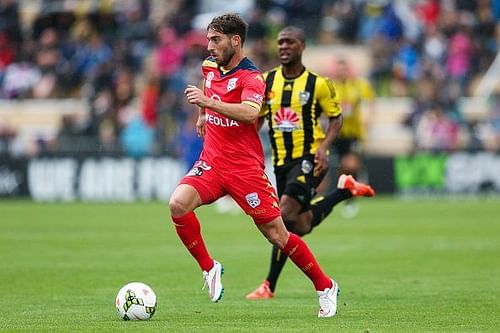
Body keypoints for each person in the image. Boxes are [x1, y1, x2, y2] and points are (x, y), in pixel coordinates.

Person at [168, 13, 340, 318]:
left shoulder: (252, 78)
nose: (209, 46)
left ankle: (325, 286)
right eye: (208, 39)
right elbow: (208, 85)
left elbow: (249, 114)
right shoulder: (209, 66)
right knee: (178, 205)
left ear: (235, 41)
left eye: (216, 40)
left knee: (278, 235)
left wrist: (208, 105)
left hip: (245, 171)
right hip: (211, 162)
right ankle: (210, 268)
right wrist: (203, 116)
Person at [246, 26, 375, 300]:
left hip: (308, 159)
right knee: (300, 224)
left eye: (289, 42)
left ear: (302, 46)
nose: (283, 47)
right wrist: (246, 146)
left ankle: (269, 284)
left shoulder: (318, 84)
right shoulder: (267, 82)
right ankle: (344, 191)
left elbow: (336, 117)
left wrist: (324, 148)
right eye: (280, 43)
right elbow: (257, 118)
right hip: (280, 161)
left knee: (281, 215)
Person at [330, 57, 376, 217]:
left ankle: (350, 199)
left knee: (349, 165)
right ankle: (344, 193)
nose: (342, 72)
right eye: (339, 69)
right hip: (334, 132)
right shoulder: (329, 86)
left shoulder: (358, 85)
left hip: (352, 134)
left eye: (344, 69)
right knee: (341, 168)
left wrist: (368, 119)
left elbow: (370, 101)